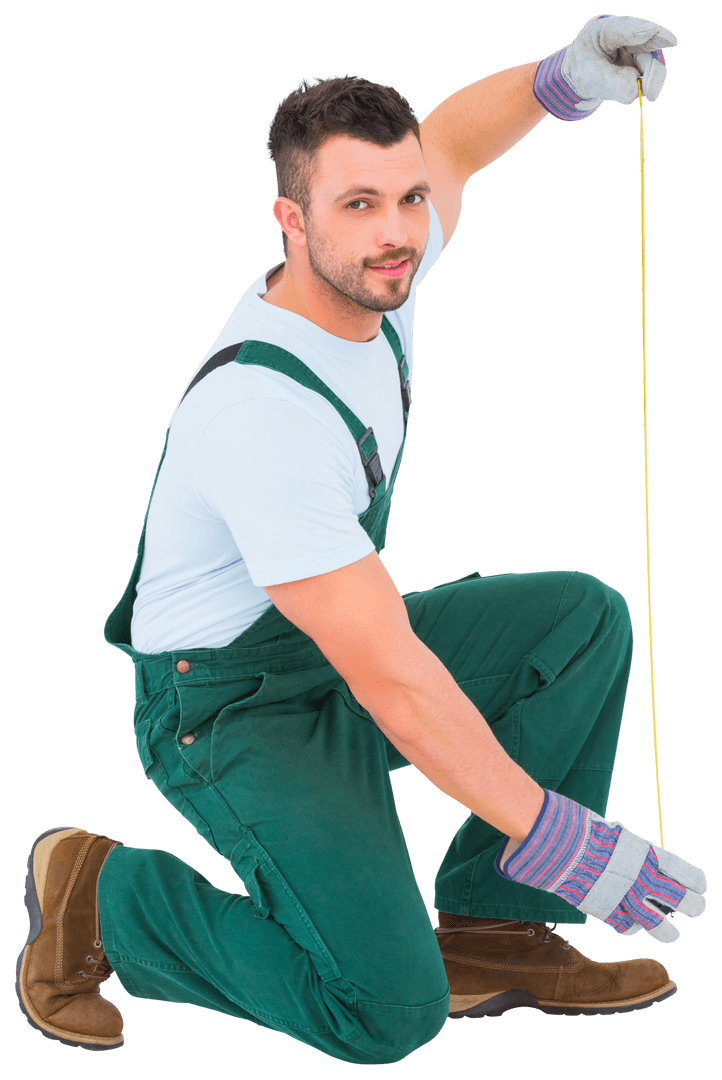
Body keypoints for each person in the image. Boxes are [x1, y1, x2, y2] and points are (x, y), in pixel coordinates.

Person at [16, 12, 707, 1066]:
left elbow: (453, 141)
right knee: (382, 1011)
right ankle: (108, 897)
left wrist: (559, 78)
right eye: (357, 205)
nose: (396, 232)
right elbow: (393, 682)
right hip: (226, 707)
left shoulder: (384, 270)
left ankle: (487, 930)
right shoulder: (260, 419)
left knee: (572, 624)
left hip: (318, 647)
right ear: (291, 219)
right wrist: (555, 833)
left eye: (405, 200)